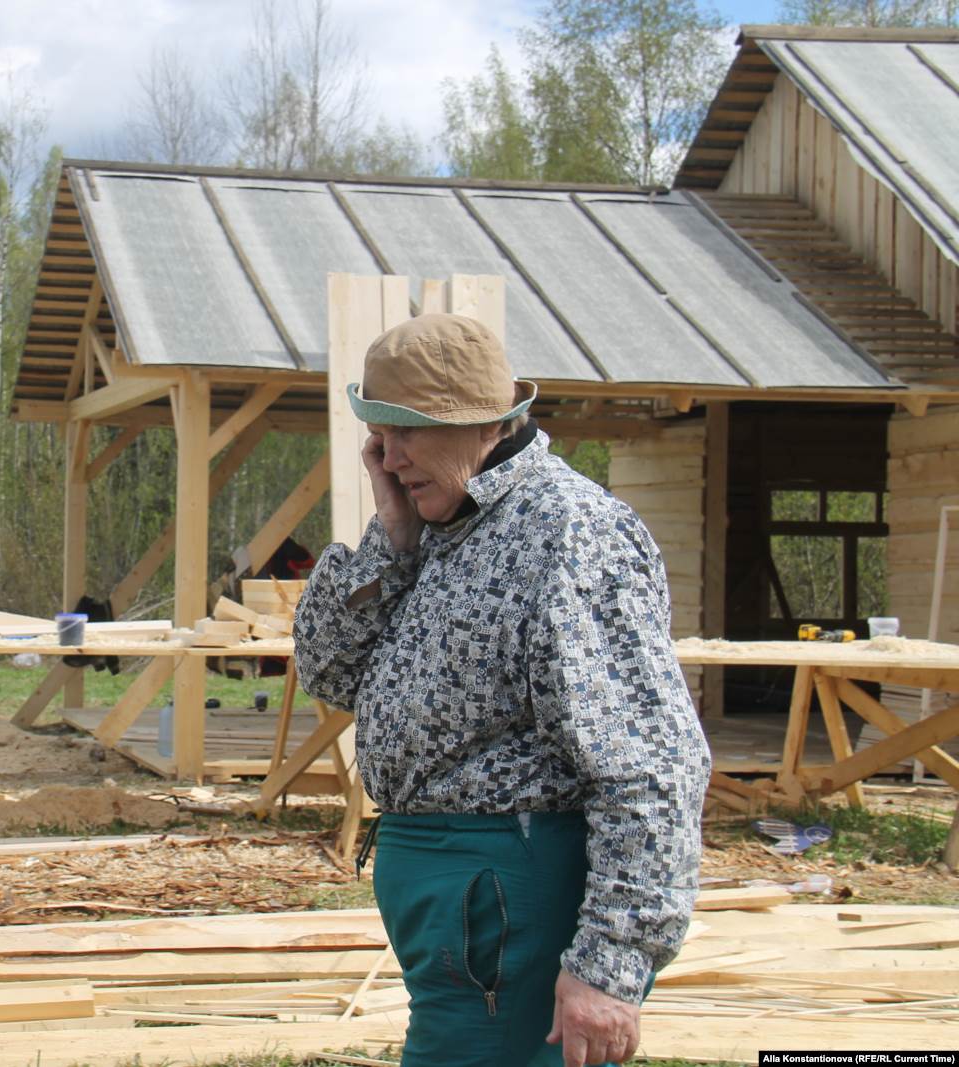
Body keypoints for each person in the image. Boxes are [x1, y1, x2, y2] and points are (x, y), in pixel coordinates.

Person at [294, 314, 709, 1067]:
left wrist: (609, 964)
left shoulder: (568, 532)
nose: (386, 457)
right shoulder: (442, 528)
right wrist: (392, 540)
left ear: (479, 425)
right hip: (457, 908)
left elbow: (651, 764)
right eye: (378, 435)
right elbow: (330, 673)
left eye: (403, 432)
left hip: (508, 904)